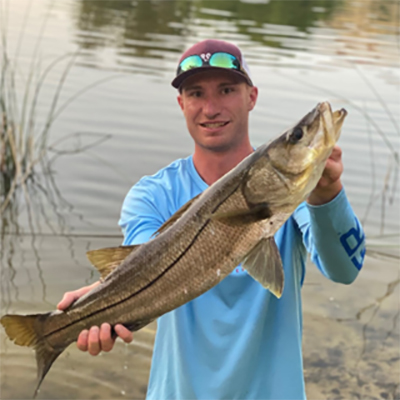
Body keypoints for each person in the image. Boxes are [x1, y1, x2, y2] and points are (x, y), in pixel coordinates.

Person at [58, 39, 366, 399]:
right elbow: (140, 264)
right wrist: (100, 302)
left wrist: (327, 195)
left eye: (227, 90)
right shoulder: (152, 195)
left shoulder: (296, 195)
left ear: (251, 97)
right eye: (196, 93)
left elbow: (345, 270)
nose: (211, 108)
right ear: (181, 104)